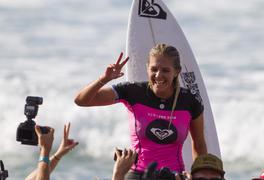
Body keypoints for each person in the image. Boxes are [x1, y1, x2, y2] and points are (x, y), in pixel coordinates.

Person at [75, 44, 207, 178]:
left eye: (165, 70)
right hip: (137, 174)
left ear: (176, 71)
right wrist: (104, 79)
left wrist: (198, 176)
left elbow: (199, 144)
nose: (158, 75)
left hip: (174, 176)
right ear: (147, 68)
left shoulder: (190, 101)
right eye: (154, 69)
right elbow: (82, 101)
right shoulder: (134, 92)